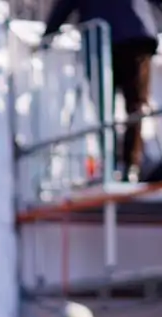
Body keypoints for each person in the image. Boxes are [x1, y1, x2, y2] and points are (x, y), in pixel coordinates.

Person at [41, 0, 160, 182]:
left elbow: (64, 4)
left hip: (101, 38)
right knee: (137, 104)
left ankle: (112, 167)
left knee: (105, 109)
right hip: (136, 33)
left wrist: (47, 35)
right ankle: (131, 166)